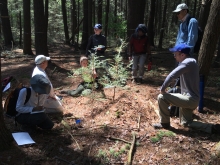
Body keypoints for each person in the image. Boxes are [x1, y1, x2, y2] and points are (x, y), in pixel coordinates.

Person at [153, 43, 220, 134]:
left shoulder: (187, 62)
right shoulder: (189, 62)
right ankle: (213, 128)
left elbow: (171, 75)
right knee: (185, 123)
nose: (174, 56)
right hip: (189, 98)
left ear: (182, 55)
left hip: (190, 99)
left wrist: (162, 89)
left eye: (175, 54)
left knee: (162, 97)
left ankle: (164, 124)